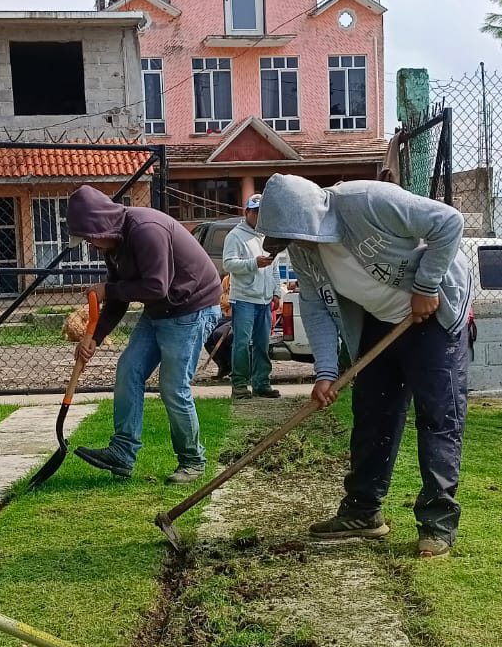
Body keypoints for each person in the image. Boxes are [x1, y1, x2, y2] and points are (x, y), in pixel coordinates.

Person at [256, 173, 472, 559]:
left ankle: (437, 522)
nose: (298, 246)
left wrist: (425, 287)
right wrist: (325, 372)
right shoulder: (303, 249)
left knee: (438, 415)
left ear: (313, 217)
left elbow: (449, 222)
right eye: (288, 239)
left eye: (298, 235)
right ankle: (362, 511)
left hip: (431, 316)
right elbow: (316, 306)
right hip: (378, 320)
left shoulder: (368, 200)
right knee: (373, 412)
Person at [67, 186, 222, 483]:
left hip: (191, 308)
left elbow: (155, 286)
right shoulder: (111, 246)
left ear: (100, 224)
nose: (89, 244)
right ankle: (123, 453)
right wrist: (94, 338)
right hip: (160, 310)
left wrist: (107, 289)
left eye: (89, 236)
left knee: (173, 387)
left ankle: (192, 461)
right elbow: (118, 301)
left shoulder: (146, 229)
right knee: (128, 370)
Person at [221, 193, 282, 400]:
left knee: (262, 344)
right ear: (246, 212)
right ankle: (239, 385)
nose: (258, 215)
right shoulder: (235, 236)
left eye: (261, 212)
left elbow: (274, 266)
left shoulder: (268, 235)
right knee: (242, 343)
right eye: (255, 211)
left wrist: (276, 291)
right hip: (245, 298)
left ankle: (261, 383)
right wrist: (253, 263)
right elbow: (228, 264)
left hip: (264, 299)